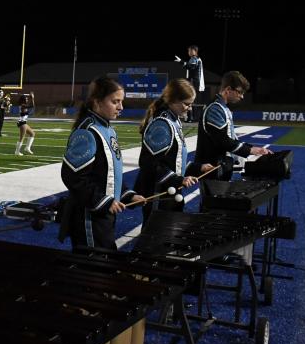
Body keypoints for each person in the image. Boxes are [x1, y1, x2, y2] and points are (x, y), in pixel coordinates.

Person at [59, 76, 145, 250]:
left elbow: (109, 173)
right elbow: (72, 177)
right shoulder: (88, 132)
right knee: (95, 267)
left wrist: (128, 195)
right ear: (97, 102)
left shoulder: (107, 129)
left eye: (121, 102)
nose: (121, 107)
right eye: (115, 102)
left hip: (103, 212)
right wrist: (103, 201)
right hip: (88, 216)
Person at [134, 78, 216, 223]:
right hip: (158, 193)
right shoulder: (162, 124)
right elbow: (149, 163)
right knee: (154, 237)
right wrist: (179, 179)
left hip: (169, 190)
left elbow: (174, 160)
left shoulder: (174, 120)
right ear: (173, 100)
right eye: (186, 104)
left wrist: (198, 168)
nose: (189, 108)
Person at [194, 70, 271, 181]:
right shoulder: (215, 109)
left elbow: (232, 139)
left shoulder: (223, 108)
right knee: (215, 198)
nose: (242, 96)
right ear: (228, 90)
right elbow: (223, 141)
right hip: (212, 168)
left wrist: (253, 148)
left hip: (221, 166)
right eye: (239, 92)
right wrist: (251, 150)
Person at [175, 45, 205, 121]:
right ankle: (191, 117)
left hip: (194, 83)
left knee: (190, 100)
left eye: (190, 50)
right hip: (195, 83)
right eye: (188, 51)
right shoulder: (195, 59)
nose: (188, 52)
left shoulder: (194, 58)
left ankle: (192, 118)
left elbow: (191, 67)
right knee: (192, 100)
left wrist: (181, 61)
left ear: (194, 51)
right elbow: (191, 66)